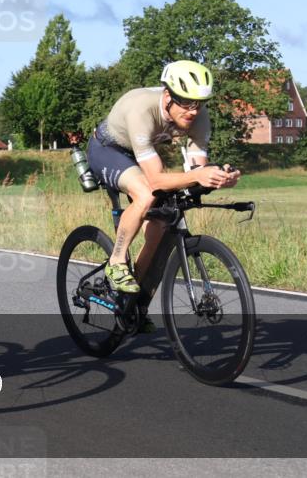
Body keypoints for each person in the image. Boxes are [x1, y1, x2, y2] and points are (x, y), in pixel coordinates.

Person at [86, 60, 241, 332]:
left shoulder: (199, 118)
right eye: (185, 102)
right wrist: (198, 176)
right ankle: (117, 262)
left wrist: (218, 178)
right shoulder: (142, 110)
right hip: (108, 150)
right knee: (145, 194)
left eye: (199, 103)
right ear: (168, 97)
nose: (193, 111)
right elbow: (156, 180)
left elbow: (196, 169)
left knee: (162, 224)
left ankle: (134, 303)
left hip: (141, 154)